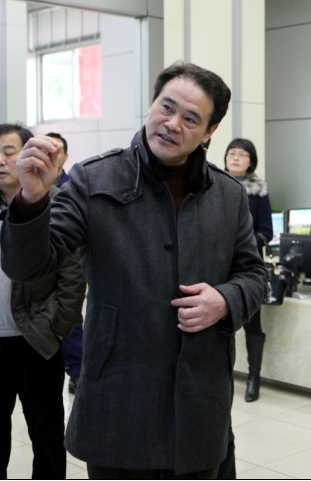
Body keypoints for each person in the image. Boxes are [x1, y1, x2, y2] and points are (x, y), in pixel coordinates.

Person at [0, 62, 268, 478]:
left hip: (198, 397)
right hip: (118, 399)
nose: (172, 124)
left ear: (209, 131)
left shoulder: (228, 195)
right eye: (167, 107)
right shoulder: (94, 180)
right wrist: (32, 200)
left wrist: (225, 299)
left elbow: (254, 275)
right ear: (151, 105)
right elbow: (28, 267)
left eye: (190, 119)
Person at [0, 123, 86, 479]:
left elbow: (73, 275)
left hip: (36, 338)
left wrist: (56, 327)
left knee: (46, 433)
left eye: (8, 152)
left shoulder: (57, 204)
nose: (0, 160)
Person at [224, 137, 272, 402]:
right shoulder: (213, 184)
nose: (235, 158)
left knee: (253, 325)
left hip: (247, 266)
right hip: (218, 265)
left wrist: (243, 245)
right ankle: (222, 375)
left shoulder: (258, 190)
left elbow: (267, 231)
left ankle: (254, 378)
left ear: (251, 161)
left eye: (242, 154)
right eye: (232, 153)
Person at [46, 131, 84, 394]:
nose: (50, 155)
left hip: (66, 271)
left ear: (65, 156)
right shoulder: (25, 189)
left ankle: (78, 371)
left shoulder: (73, 187)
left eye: (56, 150)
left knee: (71, 323)